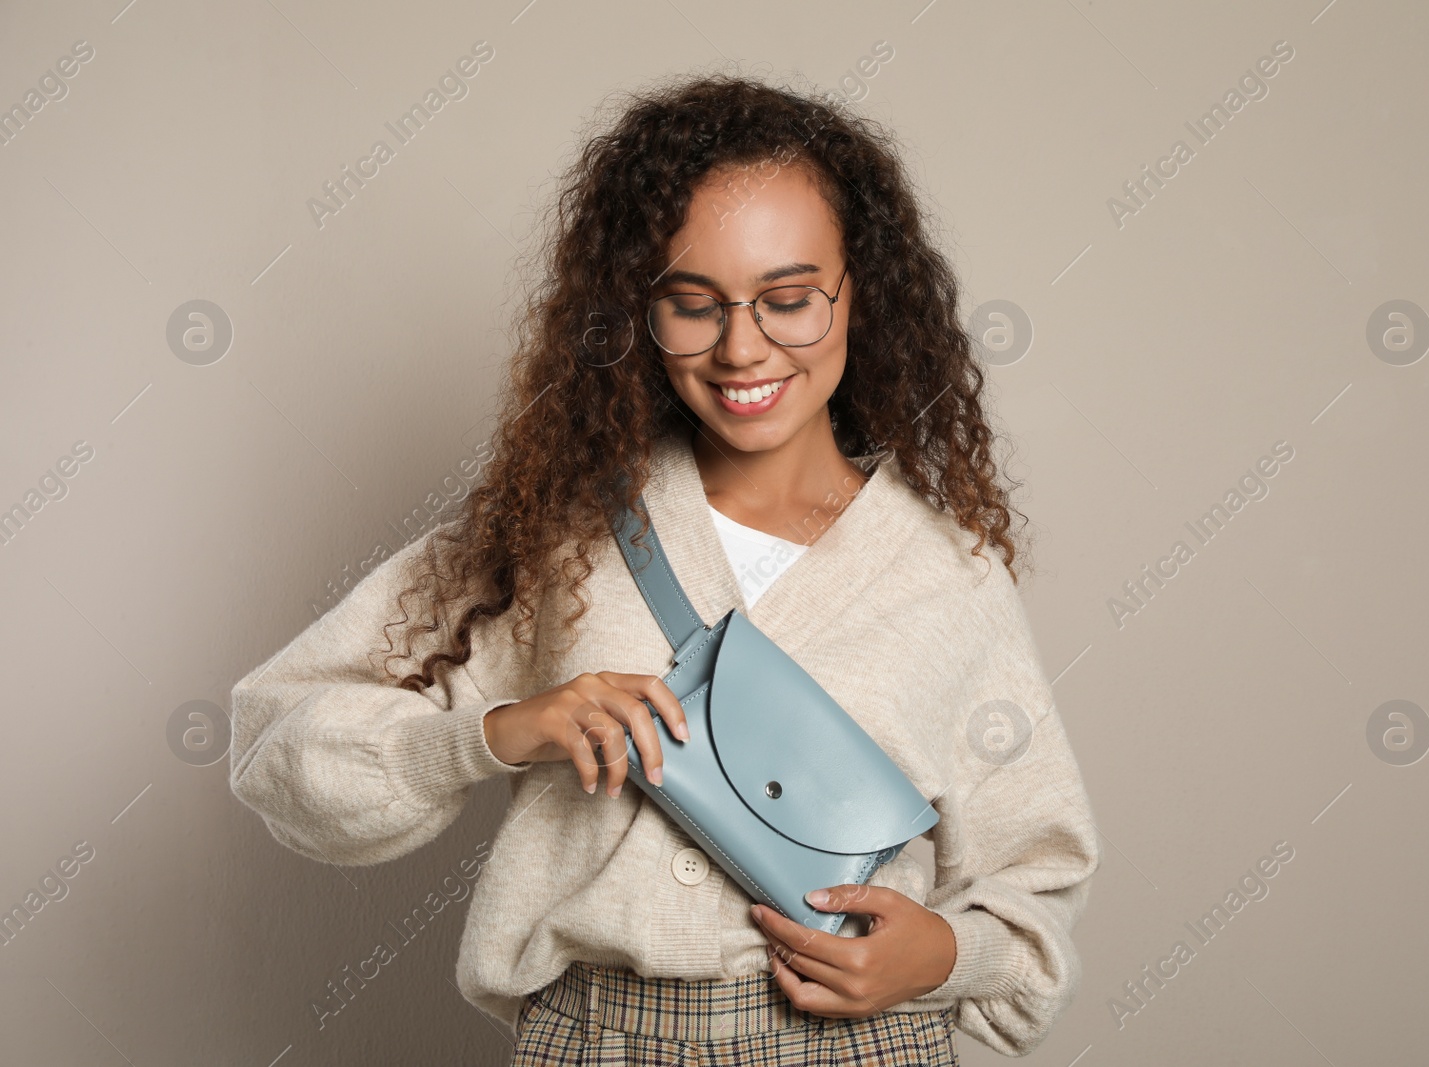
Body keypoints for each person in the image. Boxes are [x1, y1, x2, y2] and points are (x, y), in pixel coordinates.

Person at [229, 72, 1100, 1065]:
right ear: (634, 311)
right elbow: (279, 750)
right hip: (602, 1038)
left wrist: (946, 953)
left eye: (789, 298)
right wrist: (501, 733)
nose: (741, 346)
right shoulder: (554, 534)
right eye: (692, 304)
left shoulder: (948, 574)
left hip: (870, 1044)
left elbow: (1037, 865)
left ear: (863, 291)